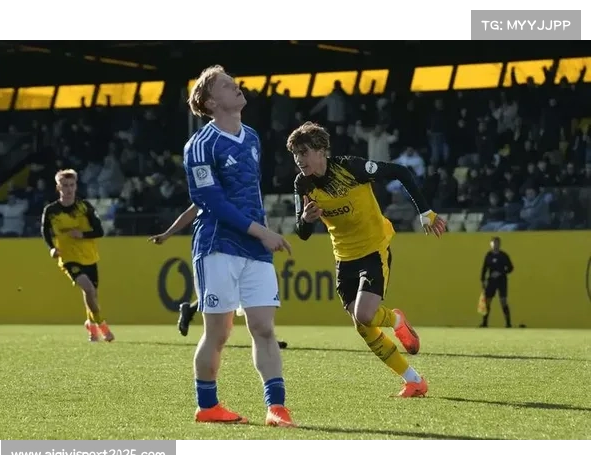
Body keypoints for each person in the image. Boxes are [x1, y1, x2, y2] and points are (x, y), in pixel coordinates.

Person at [287, 122, 446, 398]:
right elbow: (302, 233)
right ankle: (414, 381)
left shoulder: (351, 168)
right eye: (295, 154)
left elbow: (401, 171)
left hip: (373, 249)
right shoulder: (303, 183)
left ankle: (396, 319)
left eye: (304, 152)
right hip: (343, 257)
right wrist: (306, 219)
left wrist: (425, 212)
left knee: (364, 315)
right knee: (363, 326)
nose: (299, 159)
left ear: (321, 150)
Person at [183, 65, 294, 426]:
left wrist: (261, 233)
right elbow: (211, 201)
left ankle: (276, 408)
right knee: (219, 332)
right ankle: (207, 406)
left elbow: (250, 193)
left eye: (235, 83)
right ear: (211, 102)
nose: (237, 87)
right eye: (227, 85)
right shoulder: (200, 145)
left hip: (256, 247)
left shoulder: (252, 138)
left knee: (264, 328)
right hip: (217, 245)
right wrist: (263, 232)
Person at [148, 205, 289, 349]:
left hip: (250, 248)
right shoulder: (216, 195)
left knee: (259, 295)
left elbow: (258, 214)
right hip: (225, 248)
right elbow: (193, 209)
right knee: (228, 295)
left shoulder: (248, 194)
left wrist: (266, 236)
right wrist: (167, 234)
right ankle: (263, 337)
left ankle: (267, 336)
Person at [41, 169, 114, 342]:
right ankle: (102, 326)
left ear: (76, 186)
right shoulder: (51, 210)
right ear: (58, 187)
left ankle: (91, 326)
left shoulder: (84, 207)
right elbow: (45, 231)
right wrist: (52, 248)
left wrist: (83, 235)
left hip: (89, 256)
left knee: (91, 295)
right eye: (65, 185)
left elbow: (99, 231)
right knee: (88, 288)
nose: (68, 189)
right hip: (68, 258)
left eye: (71, 185)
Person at [480, 237, 514, 328]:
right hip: (491, 281)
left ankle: (508, 323)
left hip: (502, 281)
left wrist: (501, 273)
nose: (495, 245)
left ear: (500, 244)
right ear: (491, 244)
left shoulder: (503, 255)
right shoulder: (488, 255)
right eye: (494, 243)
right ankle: (484, 323)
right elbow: (484, 268)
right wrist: (482, 280)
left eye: (497, 243)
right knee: (487, 301)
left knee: (503, 301)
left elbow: (511, 268)